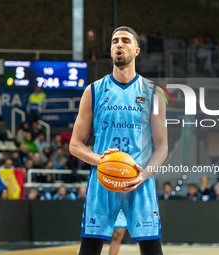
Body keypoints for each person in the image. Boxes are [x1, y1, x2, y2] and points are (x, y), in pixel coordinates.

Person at [69, 26, 167, 255]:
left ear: (137, 50)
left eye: (125, 40)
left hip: (139, 182)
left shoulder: (153, 93)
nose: (119, 45)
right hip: (102, 182)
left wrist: (145, 174)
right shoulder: (93, 91)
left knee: (153, 251)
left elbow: (162, 146)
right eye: (114, 41)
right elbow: (74, 145)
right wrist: (98, 159)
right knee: (89, 250)